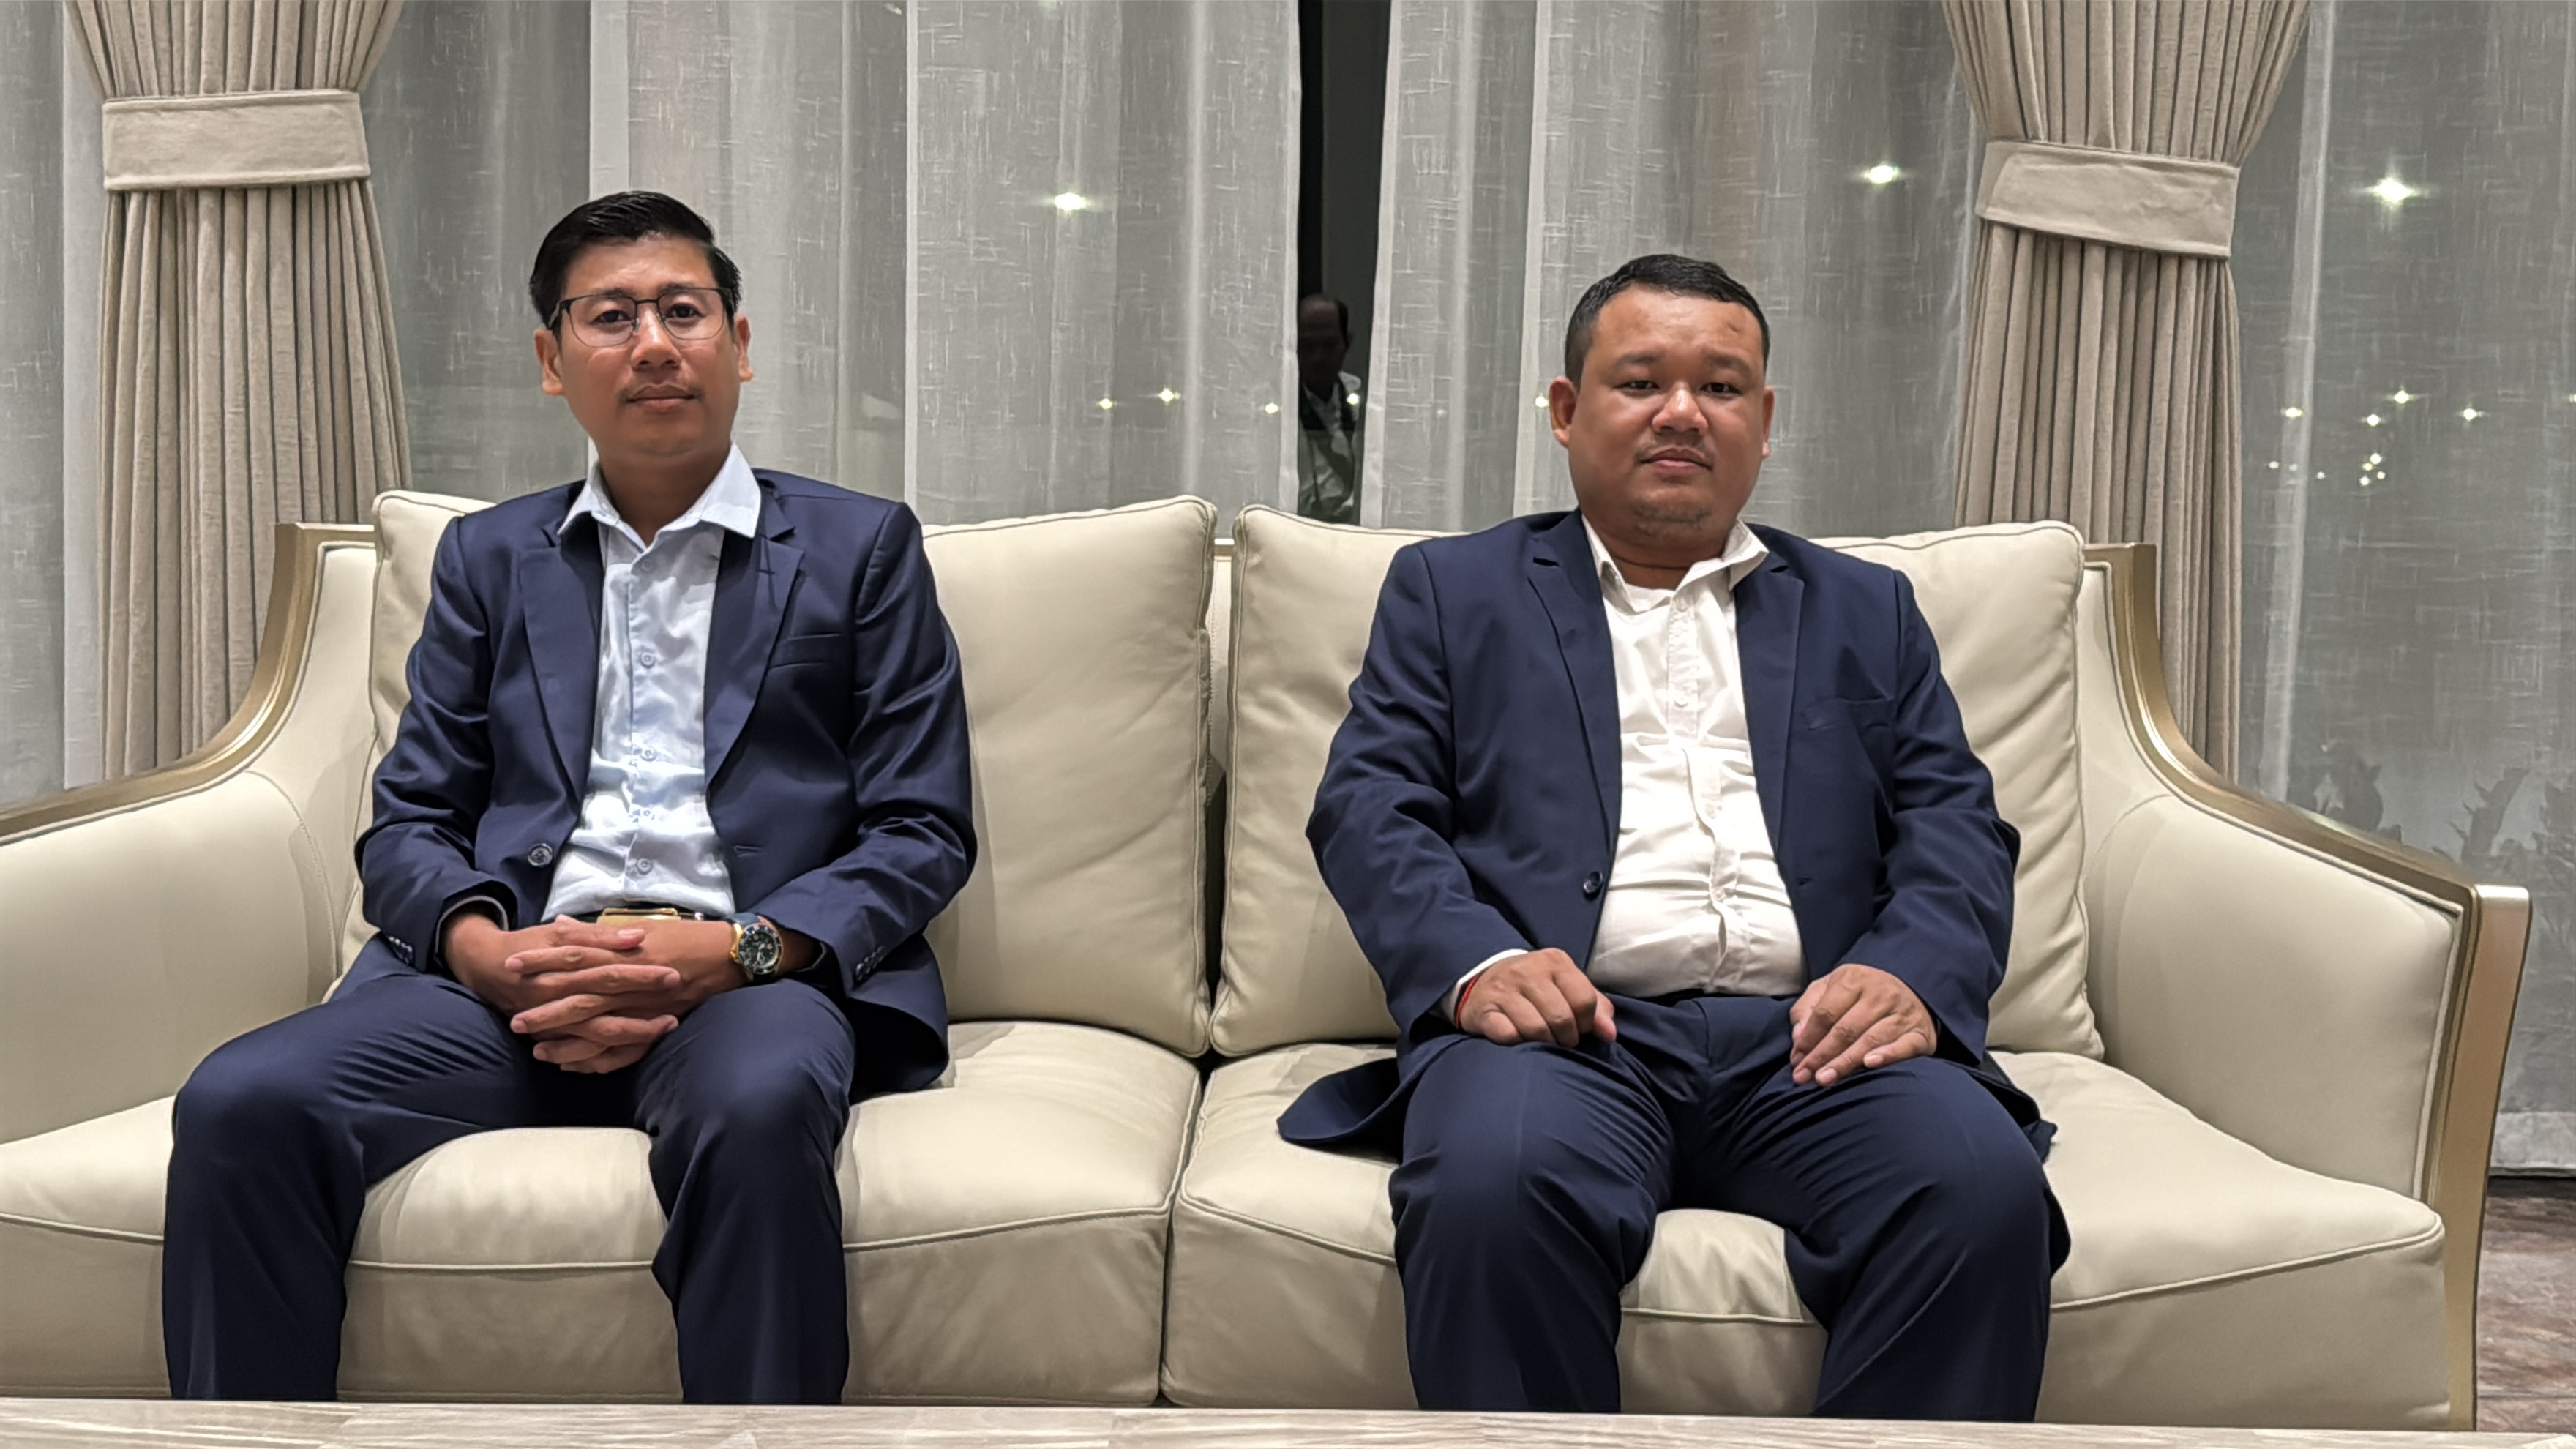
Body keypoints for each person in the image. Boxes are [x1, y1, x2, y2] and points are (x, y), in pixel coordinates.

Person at [160, 192, 976, 1404]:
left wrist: (736, 949)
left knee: (760, 1112)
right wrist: (488, 954)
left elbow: (922, 827)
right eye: (612, 316)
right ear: (553, 360)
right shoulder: (490, 560)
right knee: (242, 1100)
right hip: (513, 981)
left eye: (684, 311)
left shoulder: (861, 549)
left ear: (739, 345)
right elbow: (412, 821)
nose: (655, 344)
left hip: (746, 983)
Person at [1280, 254, 2068, 1418]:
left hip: (1814, 1044)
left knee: (1980, 1190)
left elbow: (1955, 821)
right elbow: (1369, 805)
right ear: (1567, 410)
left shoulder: (1866, 610)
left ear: (1766, 420)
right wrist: (1479, 962)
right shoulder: (1454, 592)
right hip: (1566, 1039)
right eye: (1642, 382)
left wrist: (1909, 972)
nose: (1684, 413)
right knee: (1491, 1189)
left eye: (1723, 386)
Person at [1296, 291, 1365, 523]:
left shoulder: (1364, 399)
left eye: (1328, 345)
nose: (1318, 357)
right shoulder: (1275, 404)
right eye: (1308, 345)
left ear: (1347, 343)